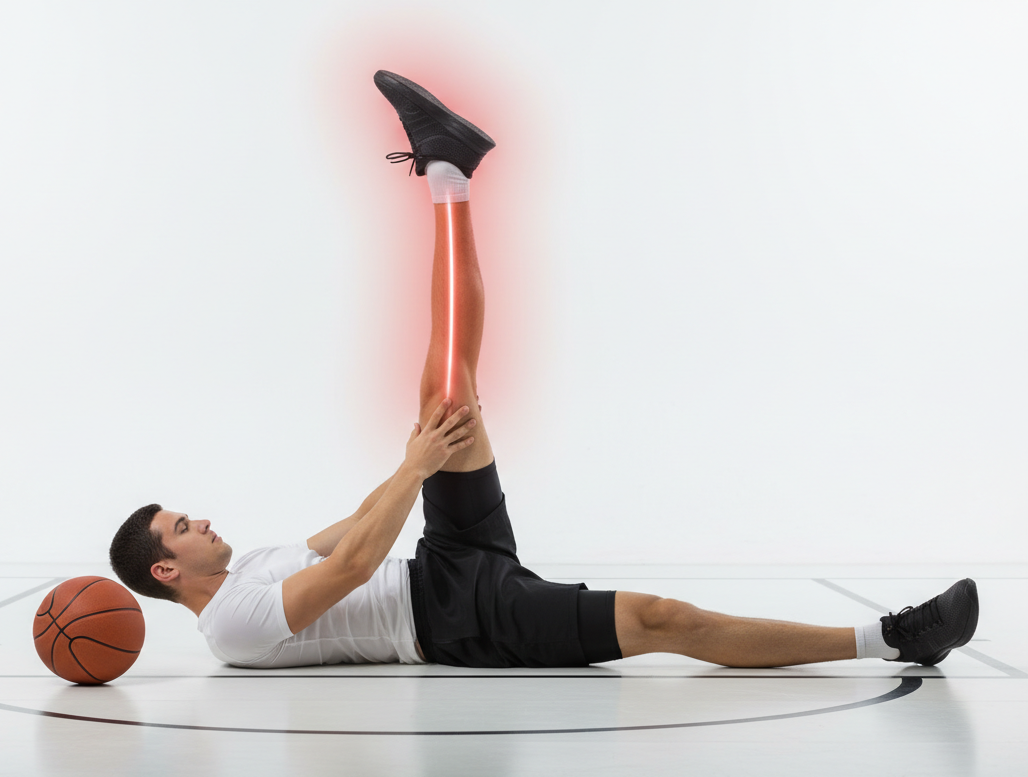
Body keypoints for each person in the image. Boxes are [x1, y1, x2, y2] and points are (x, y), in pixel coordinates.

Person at [109, 70, 979, 670]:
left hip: (441, 560)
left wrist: (418, 452)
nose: (201, 520)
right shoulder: (231, 627)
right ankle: (890, 639)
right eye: (183, 526)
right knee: (661, 623)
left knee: (449, 395)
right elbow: (342, 575)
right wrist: (415, 467)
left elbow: (345, 535)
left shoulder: (250, 564)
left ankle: (449, 171)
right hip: (456, 622)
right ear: (165, 571)